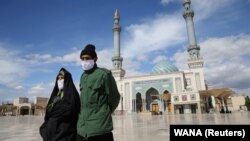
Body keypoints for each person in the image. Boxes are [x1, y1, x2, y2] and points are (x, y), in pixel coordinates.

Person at [77, 44, 120, 141]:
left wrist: (104, 112)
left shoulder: (103, 75)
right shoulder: (83, 77)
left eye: (87, 58)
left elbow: (114, 97)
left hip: (100, 129)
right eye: (82, 59)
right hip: (82, 129)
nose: (84, 61)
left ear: (95, 59)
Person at [39, 67, 81, 141]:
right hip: (50, 131)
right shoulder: (55, 95)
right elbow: (49, 111)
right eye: (58, 78)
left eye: (62, 78)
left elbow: (69, 111)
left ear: (67, 80)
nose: (60, 80)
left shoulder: (72, 94)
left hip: (64, 133)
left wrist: (54, 111)